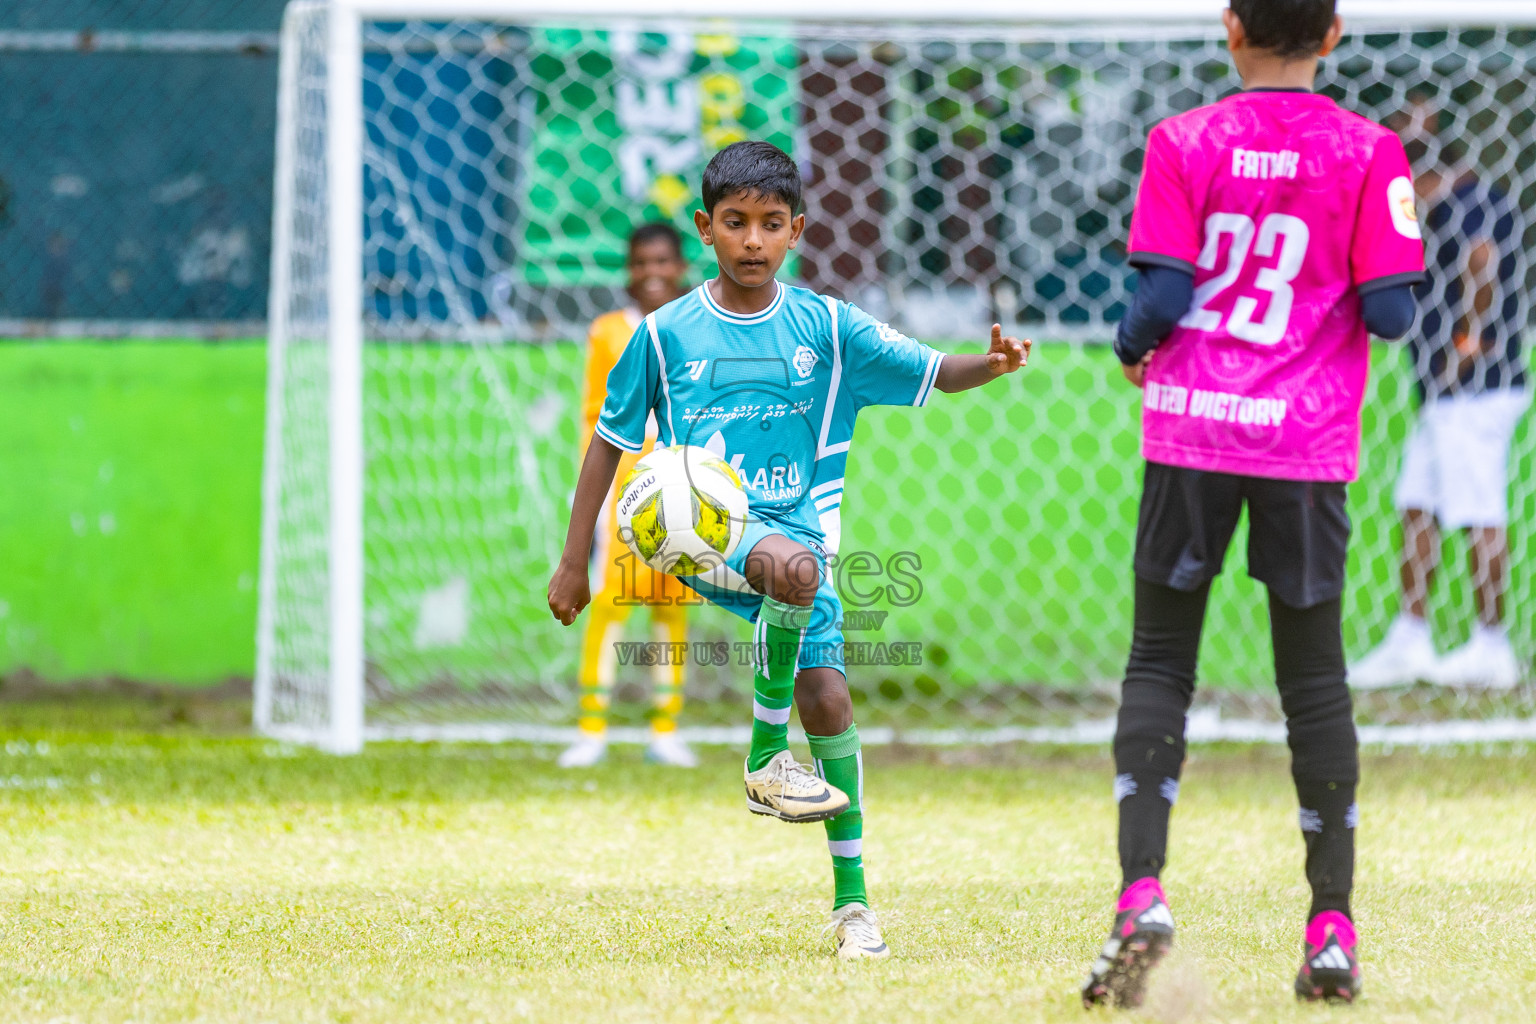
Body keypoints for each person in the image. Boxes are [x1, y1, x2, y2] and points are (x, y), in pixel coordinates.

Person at [547, 140, 1029, 959]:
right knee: (793, 571)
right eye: (735, 223)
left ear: (797, 230)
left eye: (771, 224)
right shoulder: (662, 336)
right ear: (706, 227)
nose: (752, 241)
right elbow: (608, 441)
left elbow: (934, 373)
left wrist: (992, 362)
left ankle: (854, 909)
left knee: (831, 699)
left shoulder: (829, 327)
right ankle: (767, 755)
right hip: (691, 534)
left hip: (797, 543)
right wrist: (573, 560)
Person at [1081, 0, 1424, 1007]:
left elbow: (1164, 295)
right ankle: (1330, 929)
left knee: (1160, 661)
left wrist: (1128, 345)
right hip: (1305, 440)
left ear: (1228, 28)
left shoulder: (1184, 140)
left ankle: (1141, 893)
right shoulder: (1371, 151)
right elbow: (1395, 314)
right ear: (1335, 33)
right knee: (1313, 678)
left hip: (1192, 428)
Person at [1350, 99, 1530, 691]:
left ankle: (1490, 644)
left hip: (1476, 388)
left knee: (1478, 507)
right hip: (1448, 391)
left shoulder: (1465, 203)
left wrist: (1469, 336)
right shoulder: (1469, 198)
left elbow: (1482, 256)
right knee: (1418, 501)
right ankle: (1411, 637)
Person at [559, 222, 698, 768]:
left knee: (670, 613)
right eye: (642, 263)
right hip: (623, 496)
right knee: (609, 609)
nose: (653, 273)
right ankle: (591, 730)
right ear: (629, 270)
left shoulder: (695, 329)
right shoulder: (607, 332)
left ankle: (665, 731)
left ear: (682, 266)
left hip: (683, 495)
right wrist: (589, 504)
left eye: (663, 262)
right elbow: (594, 419)